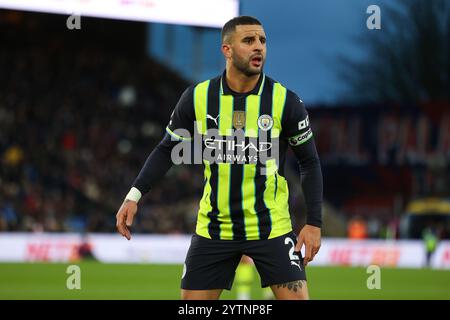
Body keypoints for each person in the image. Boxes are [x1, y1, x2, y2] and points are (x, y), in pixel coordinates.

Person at [116, 16, 323, 300]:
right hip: (214, 229)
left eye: (262, 41)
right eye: (248, 41)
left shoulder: (284, 101)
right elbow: (167, 149)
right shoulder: (198, 97)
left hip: (271, 228)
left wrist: (314, 222)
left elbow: (309, 162)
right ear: (227, 49)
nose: (258, 47)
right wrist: (134, 195)